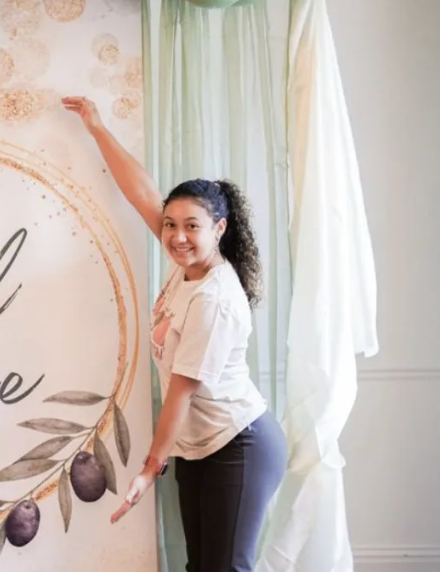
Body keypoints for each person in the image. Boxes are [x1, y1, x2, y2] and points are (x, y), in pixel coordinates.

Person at [61, 96, 287, 571]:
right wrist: (97, 127)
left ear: (219, 229)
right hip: (199, 445)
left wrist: (149, 469)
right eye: (171, 225)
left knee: (226, 569)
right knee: (198, 568)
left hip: (239, 443)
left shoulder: (214, 299)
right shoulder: (186, 266)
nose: (177, 236)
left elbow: (181, 394)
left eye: (192, 227)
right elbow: (142, 192)